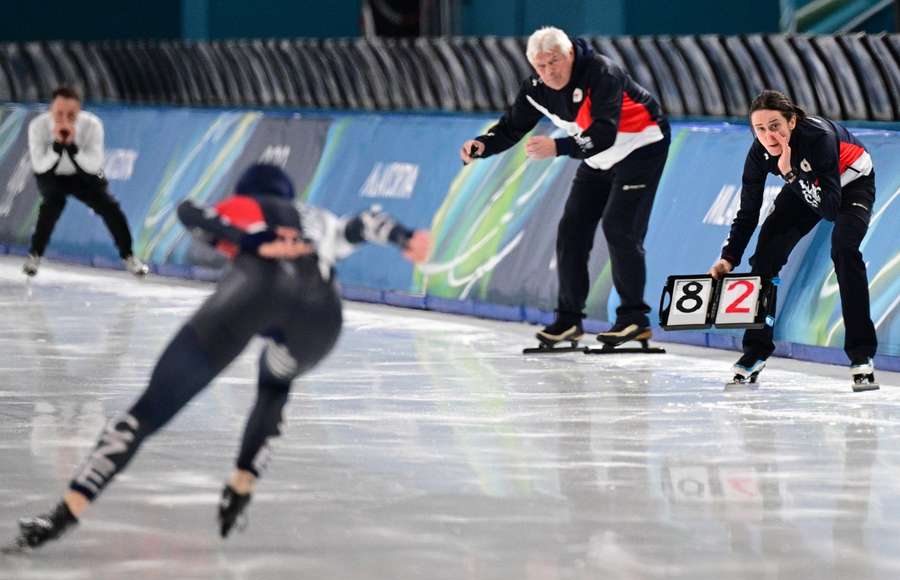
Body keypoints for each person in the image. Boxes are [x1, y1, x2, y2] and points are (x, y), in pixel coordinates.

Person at [7, 163, 431, 550]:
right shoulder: (319, 217)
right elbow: (369, 223)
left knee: (147, 411)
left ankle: (65, 514)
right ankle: (242, 483)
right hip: (321, 318)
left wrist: (250, 241)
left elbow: (190, 212)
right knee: (275, 381)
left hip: (254, 293)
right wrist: (406, 238)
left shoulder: (244, 203)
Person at [459, 26, 669, 348]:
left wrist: (557, 148)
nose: (548, 72)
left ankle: (633, 320)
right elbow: (513, 126)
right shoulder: (536, 88)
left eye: (554, 62)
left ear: (569, 53)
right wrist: (483, 144)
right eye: (540, 66)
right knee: (572, 231)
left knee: (619, 228)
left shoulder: (602, 72)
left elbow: (603, 133)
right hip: (598, 157)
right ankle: (569, 320)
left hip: (641, 145)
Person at [708, 90, 879, 391]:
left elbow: (828, 207)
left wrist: (789, 174)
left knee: (844, 250)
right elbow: (748, 212)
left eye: (775, 126)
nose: (769, 135)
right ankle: (755, 352)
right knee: (764, 258)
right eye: (760, 129)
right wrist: (728, 257)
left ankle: (861, 355)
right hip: (803, 185)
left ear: (792, 121)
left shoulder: (818, 137)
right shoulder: (758, 153)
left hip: (851, 183)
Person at [24, 86, 148, 277]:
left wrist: (72, 146)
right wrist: (57, 146)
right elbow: (40, 165)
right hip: (51, 172)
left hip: (86, 172)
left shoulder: (92, 125)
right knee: (51, 204)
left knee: (110, 207)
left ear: (79, 112)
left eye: (71, 115)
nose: (65, 119)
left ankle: (129, 256)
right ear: (51, 110)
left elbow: (93, 165)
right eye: (59, 114)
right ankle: (34, 255)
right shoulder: (38, 126)